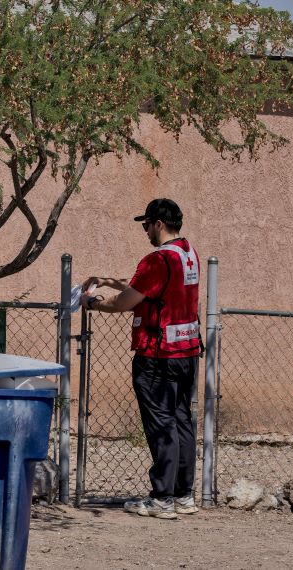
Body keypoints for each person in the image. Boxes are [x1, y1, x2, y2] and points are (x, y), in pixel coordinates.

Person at [82, 198, 201, 520]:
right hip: (186, 352)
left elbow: (125, 303)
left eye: (146, 225)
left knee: (161, 425)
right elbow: (153, 292)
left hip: (157, 354)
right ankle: (183, 495)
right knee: (181, 422)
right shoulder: (188, 254)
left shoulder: (157, 259)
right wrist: (114, 281)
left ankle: (162, 498)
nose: (145, 231)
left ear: (158, 224)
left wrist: (93, 302)